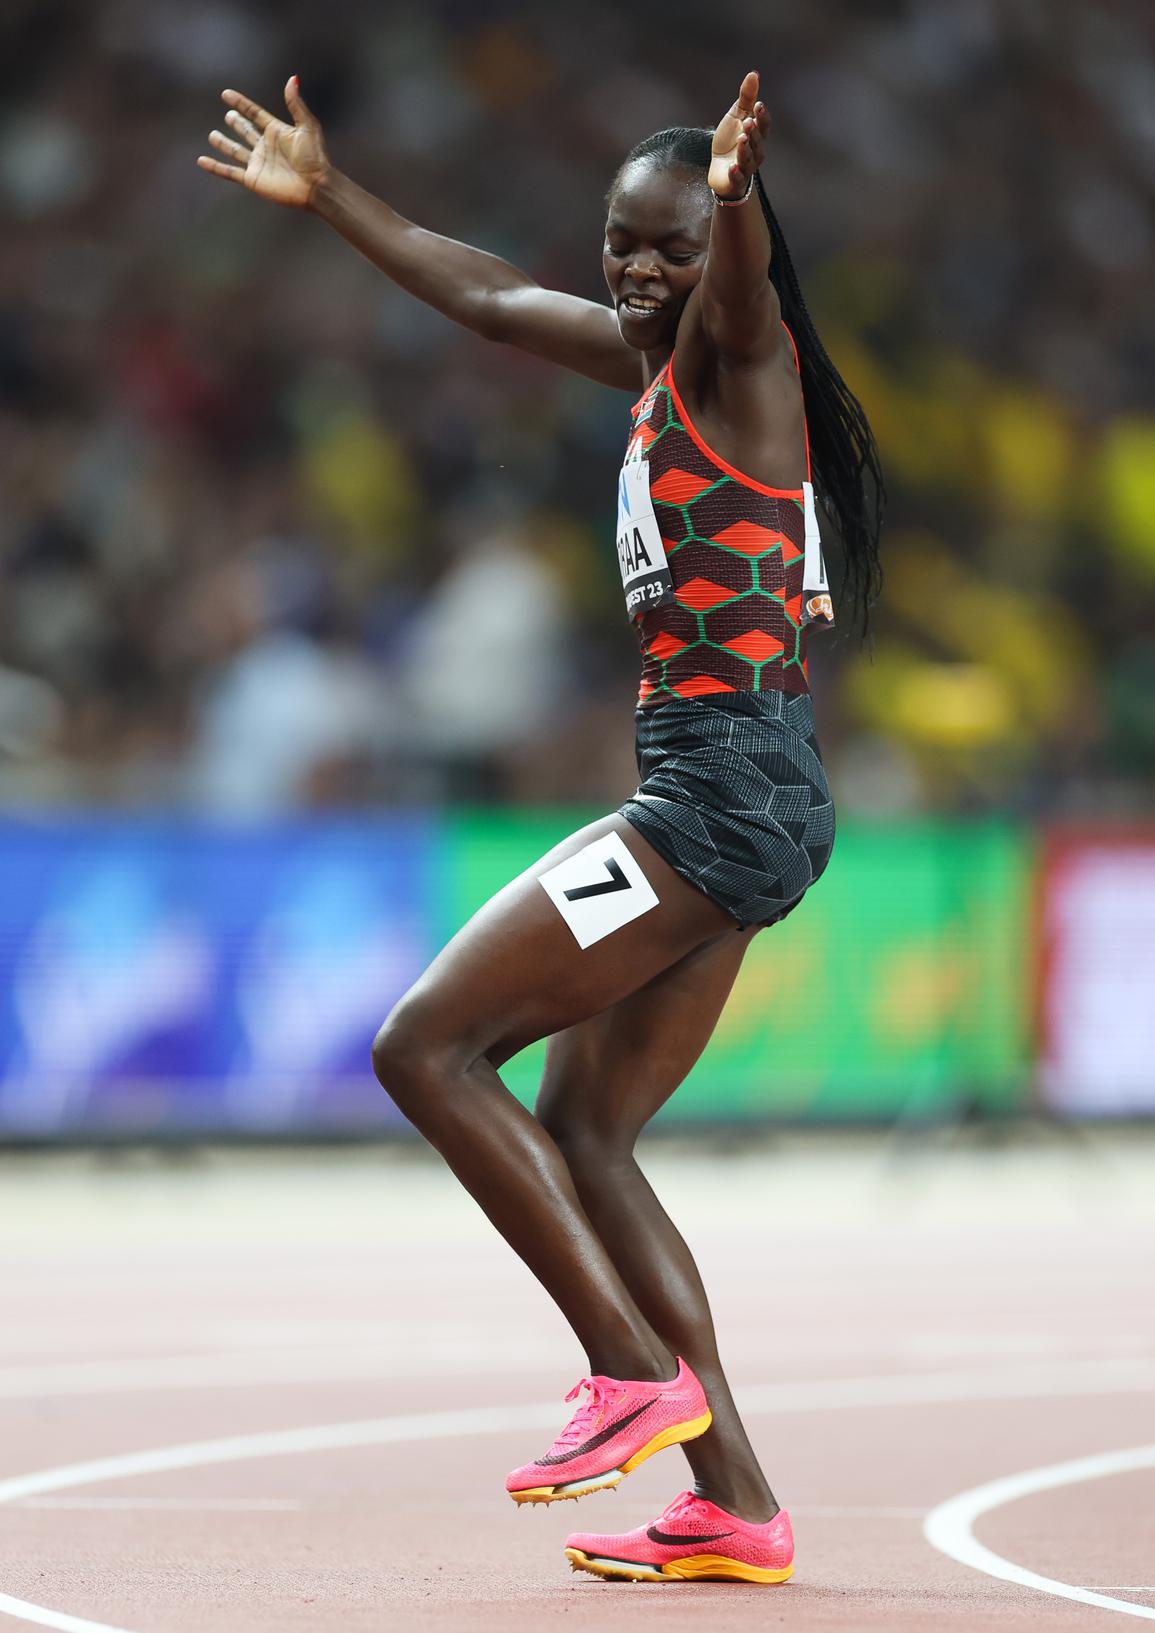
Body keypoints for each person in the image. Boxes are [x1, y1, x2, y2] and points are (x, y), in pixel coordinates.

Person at [198, 67, 884, 1586]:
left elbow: (744, 287)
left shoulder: (737, 360)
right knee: (584, 1131)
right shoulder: (650, 361)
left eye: (666, 253)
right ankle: (738, 1502)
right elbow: (496, 297)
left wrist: (733, 202)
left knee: (423, 1044)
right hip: (740, 796)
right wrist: (331, 197)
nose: (635, 273)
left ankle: (627, 1373)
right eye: (620, 242)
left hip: (713, 798)